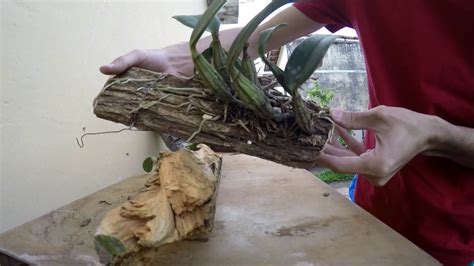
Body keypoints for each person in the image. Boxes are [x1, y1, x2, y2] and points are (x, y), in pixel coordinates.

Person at [100, 1, 474, 264]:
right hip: (372, 202)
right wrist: (175, 58)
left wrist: (440, 135)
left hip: (459, 232)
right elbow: (259, 35)